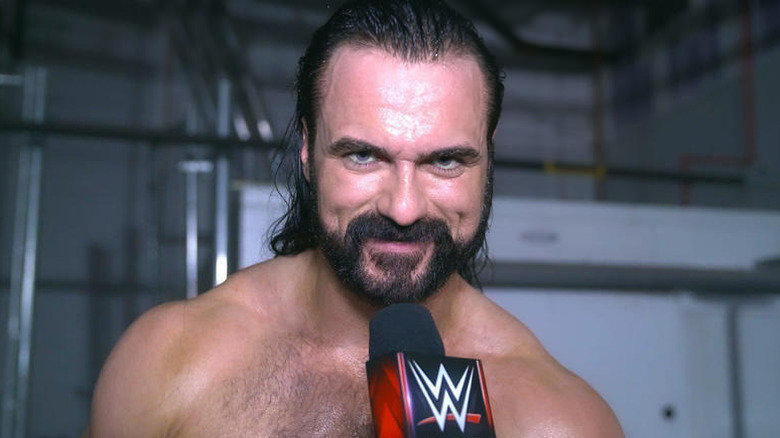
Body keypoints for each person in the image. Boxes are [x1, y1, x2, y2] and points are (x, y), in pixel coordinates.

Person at [84, 0, 624, 436]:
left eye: (445, 161)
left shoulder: (558, 421)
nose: (404, 208)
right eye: (363, 155)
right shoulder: (170, 363)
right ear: (307, 149)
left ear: (489, 155)